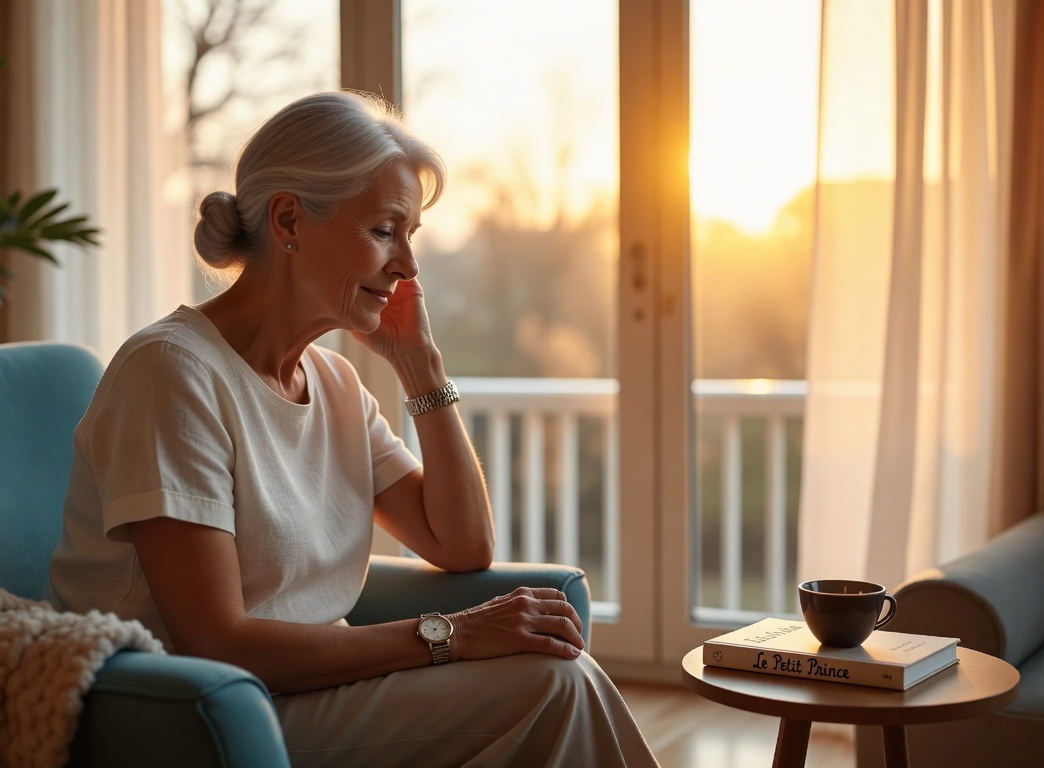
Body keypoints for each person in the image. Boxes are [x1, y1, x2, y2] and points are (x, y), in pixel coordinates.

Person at [46, 90, 659, 767]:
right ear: (289, 220)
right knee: (552, 686)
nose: (408, 265)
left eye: (410, 236)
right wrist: (450, 633)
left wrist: (422, 372)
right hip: (199, 712)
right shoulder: (172, 372)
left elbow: (461, 545)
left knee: (556, 679)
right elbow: (215, 643)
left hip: (314, 690)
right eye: (383, 230)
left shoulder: (334, 384)